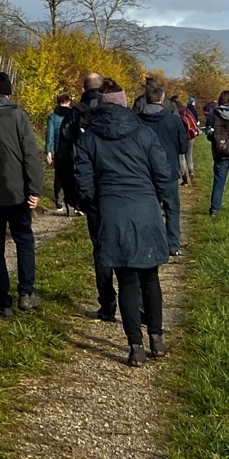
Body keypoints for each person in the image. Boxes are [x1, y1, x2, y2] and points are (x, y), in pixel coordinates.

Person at [73, 84, 177, 365]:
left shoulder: (89, 139)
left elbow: (83, 180)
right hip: (145, 209)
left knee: (127, 282)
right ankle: (156, 337)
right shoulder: (144, 133)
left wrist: (97, 202)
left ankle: (135, 347)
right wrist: (158, 199)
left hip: (112, 210)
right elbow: (162, 173)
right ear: (124, 102)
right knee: (150, 278)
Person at [0, 71, 43, 316]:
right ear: (9, 93)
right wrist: (35, 188)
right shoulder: (19, 117)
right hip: (17, 192)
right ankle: (26, 292)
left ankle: (3, 301)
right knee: (24, 240)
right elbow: (30, 155)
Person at [56, 84, 117, 322]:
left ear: (82, 88)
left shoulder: (75, 114)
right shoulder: (119, 115)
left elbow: (63, 154)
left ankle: (107, 303)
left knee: (100, 246)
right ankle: (137, 302)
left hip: (91, 192)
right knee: (125, 243)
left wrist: (72, 194)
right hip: (120, 190)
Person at [134, 80, 189, 254]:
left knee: (149, 208)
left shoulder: (137, 121)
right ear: (163, 100)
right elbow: (183, 147)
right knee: (172, 208)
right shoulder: (173, 120)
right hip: (168, 170)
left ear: (147, 100)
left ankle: (150, 244)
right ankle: (172, 245)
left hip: (144, 171)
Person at [44, 93, 75, 212]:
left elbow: (50, 135)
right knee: (73, 173)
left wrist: (48, 151)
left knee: (58, 176)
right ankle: (72, 199)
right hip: (72, 149)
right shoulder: (73, 114)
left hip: (58, 149)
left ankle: (59, 201)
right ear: (68, 102)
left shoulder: (52, 117)